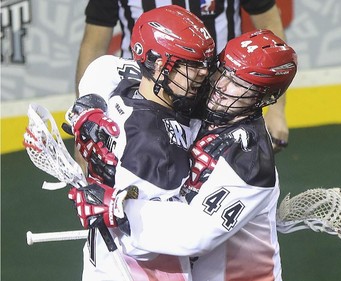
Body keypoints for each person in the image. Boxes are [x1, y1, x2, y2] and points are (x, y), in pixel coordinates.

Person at [70, 29, 297, 280]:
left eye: (238, 84)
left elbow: (195, 233)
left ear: (264, 97)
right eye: (223, 71)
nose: (221, 86)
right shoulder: (211, 93)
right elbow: (108, 68)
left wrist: (119, 210)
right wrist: (91, 106)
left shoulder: (250, 158)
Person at [65, 5, 215, 280]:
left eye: (205, 64)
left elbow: (105, 66)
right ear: (159, 65)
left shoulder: (134, 87)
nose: (204, 74)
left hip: (104, 263)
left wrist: (90, 106)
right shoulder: (153, 148)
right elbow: (154, 244)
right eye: (192, 65)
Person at [75, 0, 289, 152]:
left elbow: (269, 28)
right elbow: (94, 46)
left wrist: (277, 111)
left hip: (218, 99)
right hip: (145, 98)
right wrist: (83, 127)